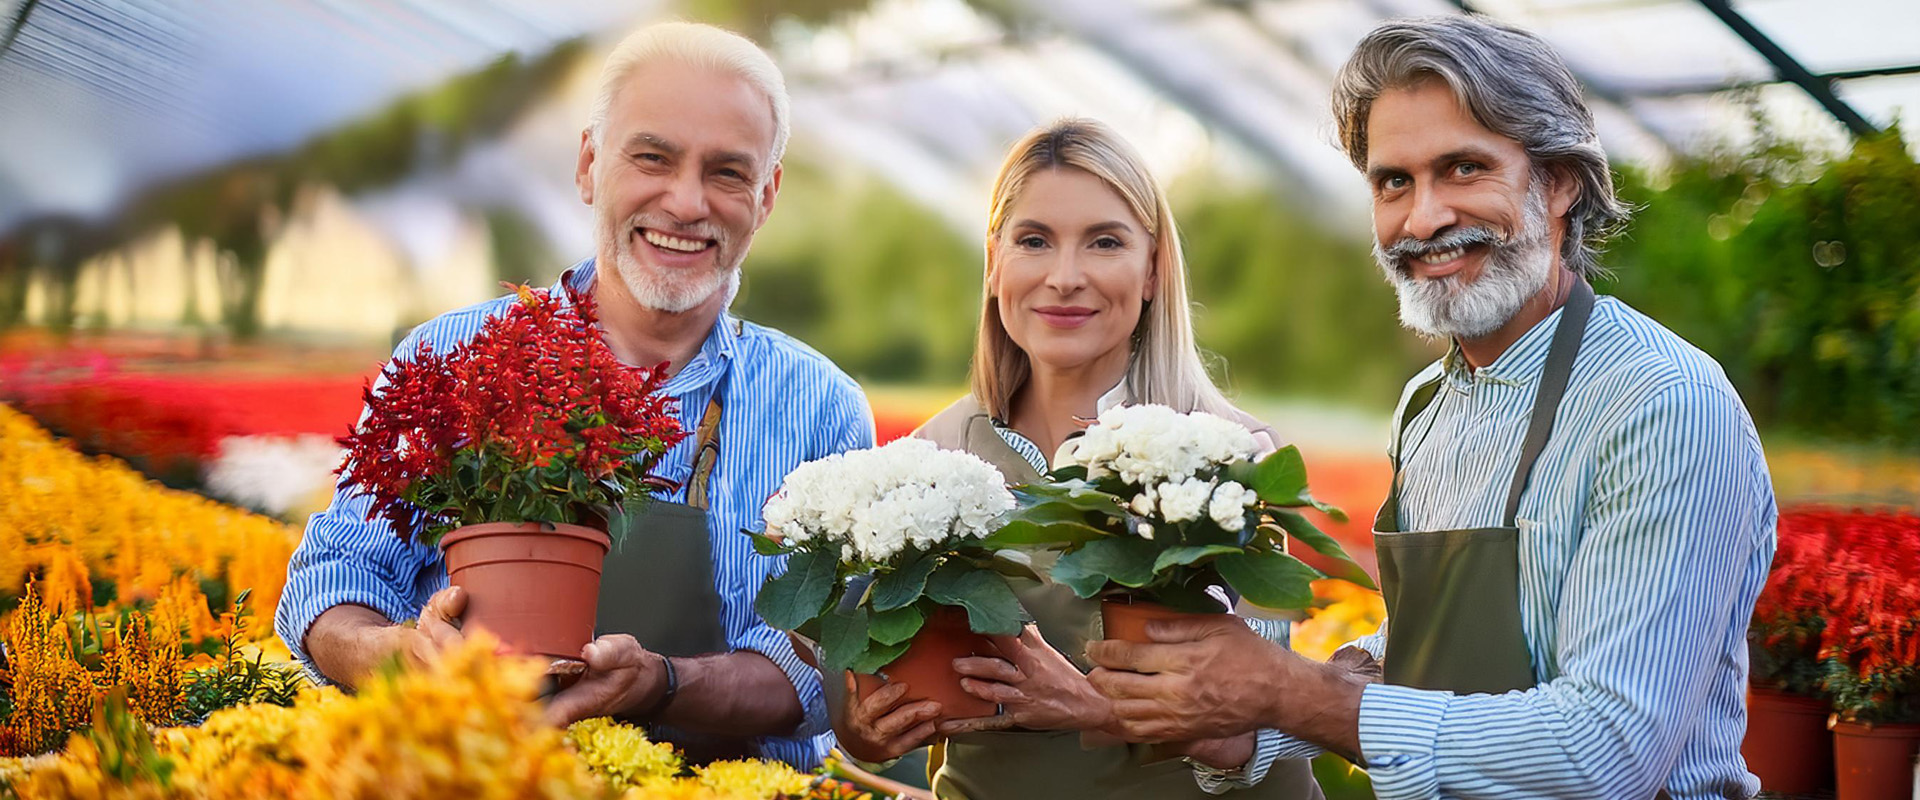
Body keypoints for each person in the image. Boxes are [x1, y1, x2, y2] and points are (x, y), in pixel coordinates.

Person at [1083, 15, 1777, 800]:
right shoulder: (1428, 405)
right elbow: (1440, 650)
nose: (1424, 219)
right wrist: (1237, 718)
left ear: (1558, 183)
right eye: (1393, 182)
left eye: (1464, 168)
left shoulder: (1661, 404)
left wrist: (1293, 692)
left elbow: (1607, 749)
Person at [273, 22, 872, 769]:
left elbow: (814, 673)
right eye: (652, 157)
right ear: (590, 164)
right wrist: (401, 653)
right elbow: (332, 584)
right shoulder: (447, 357)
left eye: (726, 172)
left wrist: (661, 682)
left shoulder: (818, 404)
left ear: (768, 194)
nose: (686, 202)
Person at [830, 118, 1323, 799]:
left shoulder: (1232, 458)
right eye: (1034, 241)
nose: (1065, 278)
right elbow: (873, 702)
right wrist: (866, 725)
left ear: (1152, 270)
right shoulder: (930, 460)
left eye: (1104, 243)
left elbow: (1265, 733)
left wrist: (1098, 708)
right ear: (995, 260)